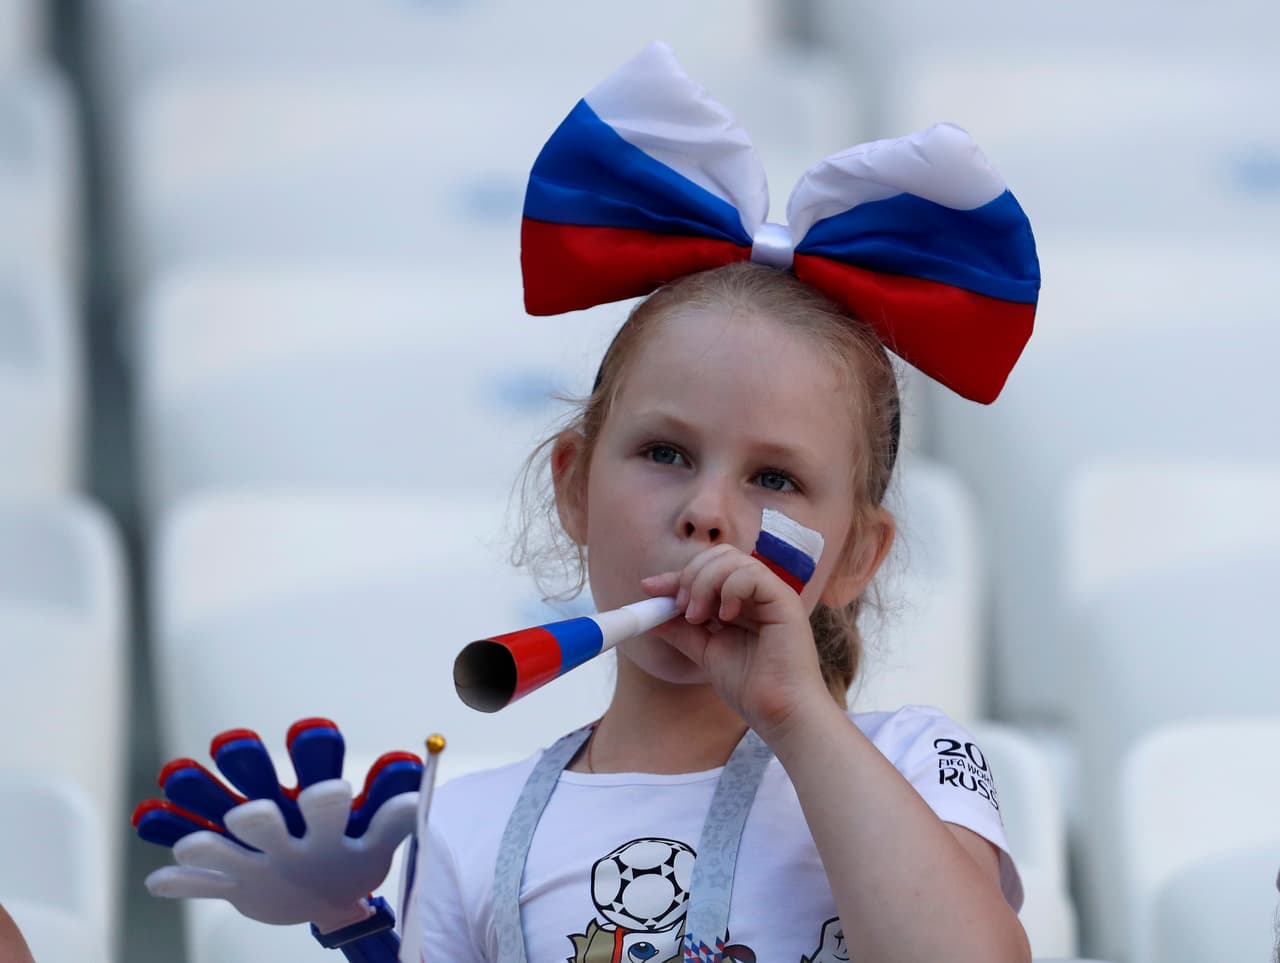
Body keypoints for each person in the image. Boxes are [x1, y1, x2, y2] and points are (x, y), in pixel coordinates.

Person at [405, 43, 1039, 963]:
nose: (707, 511)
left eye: (773, 478)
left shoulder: (912, 764)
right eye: (665, 453)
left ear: (857, 555)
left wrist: (795, 712)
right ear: (575, 484)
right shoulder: (462, 824)